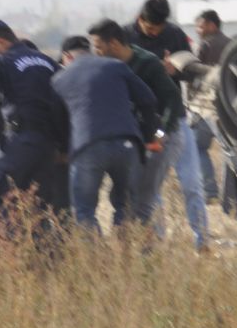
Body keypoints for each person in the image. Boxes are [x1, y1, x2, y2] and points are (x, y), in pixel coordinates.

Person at [89, 19, 208, 250]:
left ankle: (159, 250)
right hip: (139, 138)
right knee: (131, 193)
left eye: (98, 46)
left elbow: (173, 102)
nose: (96, 52)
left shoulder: (147, 63)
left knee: (154, 192)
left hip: (166, 136)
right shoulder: (108, 67)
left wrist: (160, 132)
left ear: (113, 43)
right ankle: (147, 245)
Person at [51, 35, 159, 232]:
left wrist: (64, 150)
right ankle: (125, 253)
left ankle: (99, 258)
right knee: (126, 206)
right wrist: (148, 136)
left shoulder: (59, 79)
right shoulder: (114, 66)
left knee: (84, 210)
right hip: (128, 143)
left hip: (87, 146)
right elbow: (148, 99)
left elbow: (59, 121)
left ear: (67, 56)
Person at [0, 20, 68, 215]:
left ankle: (9, 243)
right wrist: (63, 145)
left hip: (20, 138)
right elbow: (63, 104)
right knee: (41, 207)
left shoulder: (2, 62)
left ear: (0, 41)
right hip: (48, 146)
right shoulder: (49, 62)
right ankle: (42, 245)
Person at [190, 9, 229, 202]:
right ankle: (232, 196)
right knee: (229, 152)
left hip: (206, 107)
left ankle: (210, 192)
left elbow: (194, 75)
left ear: (212, 25)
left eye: (200, 25)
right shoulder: (231, 44)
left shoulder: (204, 46)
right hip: (229, 108)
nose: (198, 30)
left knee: (197, 146)